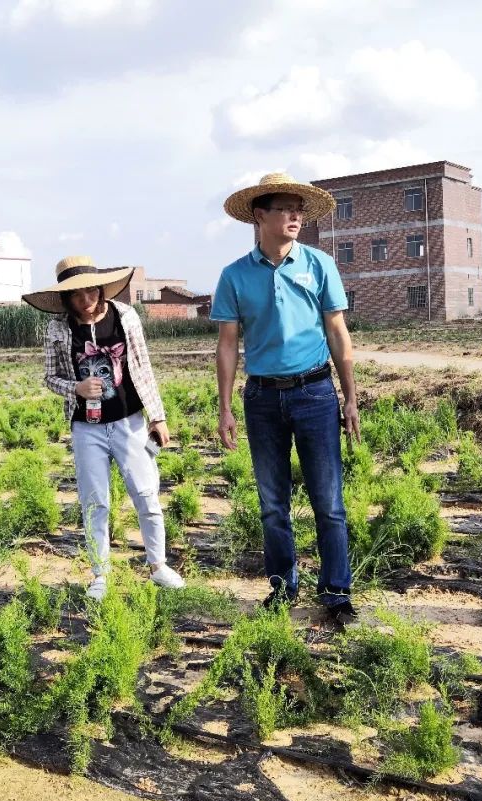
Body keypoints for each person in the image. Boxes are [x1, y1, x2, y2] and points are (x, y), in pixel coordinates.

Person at [211, 172, 360, 624]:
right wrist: (224, 408)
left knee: (328, 502)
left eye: (299, 209)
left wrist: (350, 397)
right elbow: (227, 344)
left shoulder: (319, 265)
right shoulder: (235, 275)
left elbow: (338, 332)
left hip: (315, 393)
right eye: (284, 208)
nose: (295, 215)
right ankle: (282, 586)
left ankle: (336, 592)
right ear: (259, 216)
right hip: (262, 399)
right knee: (273, 503)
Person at [23, 255, 185, 600]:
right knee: (95, 502)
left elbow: (142, 366)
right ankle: (100, 575)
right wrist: (75, 389)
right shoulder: (57, 329)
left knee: (145, 494)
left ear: (100, 287)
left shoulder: (125, 316)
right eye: (77, 294)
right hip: (87, 428)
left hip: (130, 421)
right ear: (66, 299)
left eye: (90, 290)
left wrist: (158, 416)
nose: (86, 299)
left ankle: (158, 566)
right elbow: (50, 377)